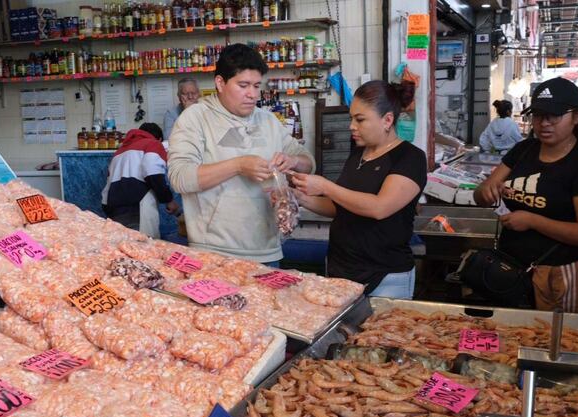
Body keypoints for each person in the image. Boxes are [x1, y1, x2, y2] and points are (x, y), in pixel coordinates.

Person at [167, 43, 314, 264]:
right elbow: (180, 177)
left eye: (256, 86)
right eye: (243, 85)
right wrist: (238, 166)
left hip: (268, 251)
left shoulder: (268, 120)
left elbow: (308, 162)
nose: (252, 94)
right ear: (220, 83)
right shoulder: (195, 118)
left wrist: (292, 160)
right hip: (214, 253)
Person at [474, 77, 578, 313]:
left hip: (560, 274)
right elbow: (483, 192)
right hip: (512, 267)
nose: (544, 123)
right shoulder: (524, 150)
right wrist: (484, 192)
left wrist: (532, 220)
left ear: (576, 117)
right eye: (538, 115)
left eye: (554, 116)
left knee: (558, 340)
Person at [290, 80, 426, 299]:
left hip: (384, 276)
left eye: (360, 119)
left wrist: (325, 185)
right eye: (351, 118)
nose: (351, 126)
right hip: (340, 270)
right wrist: (299, 197)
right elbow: (341, 207)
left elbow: (379, 207)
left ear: (387, 120)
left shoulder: (410, 158)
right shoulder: (358, 154)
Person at [101, 123, 179, 238]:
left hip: (114, 210)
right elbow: (153, 174)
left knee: (123, 250)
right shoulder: (153, 144)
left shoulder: (119, 152)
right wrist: (168, 200)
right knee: (144, 250)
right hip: (138, 209)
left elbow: (107, 188)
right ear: (160, 139)